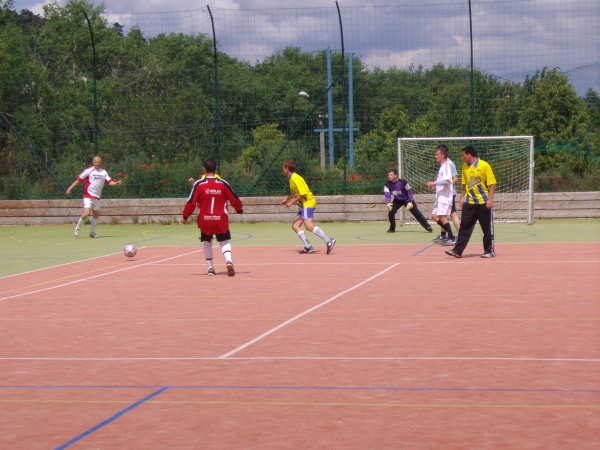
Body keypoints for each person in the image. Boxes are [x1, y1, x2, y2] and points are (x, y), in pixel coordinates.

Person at [182, 158, 243, 276]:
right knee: (224, 241)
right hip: (220, 219)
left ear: (204, 169)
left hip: (205, 219)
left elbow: (191, 203)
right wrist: (239, 209)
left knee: (207, 242)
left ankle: (210, 268)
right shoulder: (223, 183)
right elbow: (234, 199)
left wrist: (185, 217)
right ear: (216, 169)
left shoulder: (198, 184)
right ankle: (228, 261)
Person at [445, 146, 496, 259]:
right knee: (464, 227)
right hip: (469, 202)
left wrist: (490, 199)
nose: (462, 157)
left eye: (463, 155)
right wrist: (462, 197)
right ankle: (457, 251)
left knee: (487, 228)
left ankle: (489, 251)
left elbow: (492, 183)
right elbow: (465, 184)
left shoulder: (484, 165)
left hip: (483, 202)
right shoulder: (465, 166)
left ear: (469, 155)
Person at [280, 160, 336, 254]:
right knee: (295, 226)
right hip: (303, 205)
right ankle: (308, 246)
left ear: (287, 169)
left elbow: (303, 194)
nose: (283, 170)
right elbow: (295, 193)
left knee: (309, 226)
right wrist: (287, 199)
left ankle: (329, 240)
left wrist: (291, 202)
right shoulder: (292, 178)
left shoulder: (295, 178)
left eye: (283, 168)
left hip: (307, 203)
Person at [66, 155, 122, 238]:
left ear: (101, 162)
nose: (97, 164)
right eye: (96, 162)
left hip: (97, 197)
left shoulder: (104, 172)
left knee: (96, 214)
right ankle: (77, 228)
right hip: (88, 195)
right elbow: (78, 180)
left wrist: (116, 183)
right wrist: (69, 189)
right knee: (86, 213)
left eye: (99, 162)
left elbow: (110, 182)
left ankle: (91, 232)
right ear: (93, 162)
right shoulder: (88, 171)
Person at [384, 169, 433, 233]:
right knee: (391, 212)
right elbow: (387, 194)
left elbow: (409, 191)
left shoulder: (403, 182)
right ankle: (392, 228)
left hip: (407, 199)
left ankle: (427, 226)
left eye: (391, 175)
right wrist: (388, 202)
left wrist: (410, 201)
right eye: (388, 175)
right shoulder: (387, 184)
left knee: (416, 213)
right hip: (397, 200)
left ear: (395, 175)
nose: (389, 176)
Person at [427, 145, 457, 246]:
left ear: (443, 155)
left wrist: (433, 183)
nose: (436, 156)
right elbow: (442, 181)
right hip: (440, 196)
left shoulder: (447, 166)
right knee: (434, 216)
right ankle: (450, 235)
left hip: (445, 197)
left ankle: (452, 238)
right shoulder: (442, 166)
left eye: (437, 154)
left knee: (442, 216)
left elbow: (448, 180)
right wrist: (436, 187)